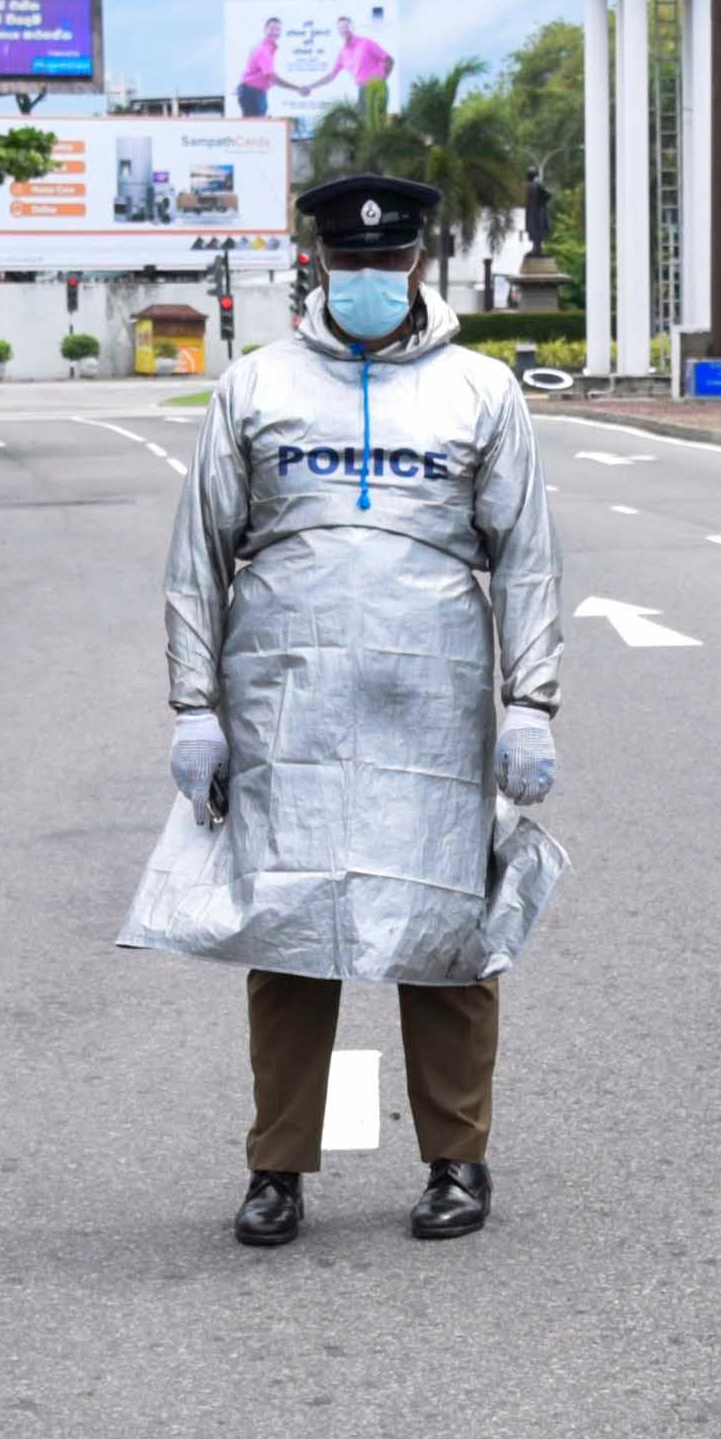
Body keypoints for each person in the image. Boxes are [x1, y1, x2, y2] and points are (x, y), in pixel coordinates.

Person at [125, 169, 562, 1246]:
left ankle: (456, 1158)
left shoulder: (478, 392)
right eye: (349, 260)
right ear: (318, 261)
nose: (368, 276)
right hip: (288, 696)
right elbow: (199, 559)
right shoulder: (255, 386)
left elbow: (526, 559)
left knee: (446, 929)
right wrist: (196, 707)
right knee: (291, 929)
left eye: (386, 258)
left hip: (432, 691)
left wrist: (532, 700)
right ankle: (277, 1167)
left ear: (415, 260)